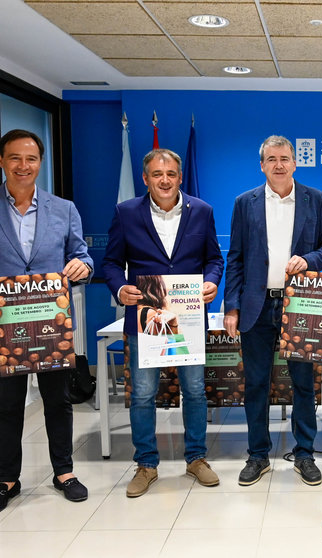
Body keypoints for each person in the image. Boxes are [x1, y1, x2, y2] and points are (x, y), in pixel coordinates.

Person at [0, 129, 93, 515]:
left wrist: (84, 265)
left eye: (31, 159)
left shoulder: (63, 209)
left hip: (52, 323)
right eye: (15, 158)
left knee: (57, 401)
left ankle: (64, 473)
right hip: (1, 326)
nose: (23, 166)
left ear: (40, 163)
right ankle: (7, 481)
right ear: (0, 160)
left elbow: (82, 255)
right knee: (8, 404)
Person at [103, 148, 224, 497]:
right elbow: (111, 263)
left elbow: (214, 259)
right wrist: (119, 286)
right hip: (146, 315)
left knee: (195, 391)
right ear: (146, 179)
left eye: (171, 173)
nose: (165, 180)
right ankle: (146, 464)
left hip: (187, 315)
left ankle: (196, 458)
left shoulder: (202, 211)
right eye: (157, 174)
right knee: (142, 395)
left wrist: (212, 281)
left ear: (180, 176)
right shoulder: (126, 213)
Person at [224, 135, 322, 486]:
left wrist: (309, 259)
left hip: (300, 306)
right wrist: (232, 307)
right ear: (262, 165)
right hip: (257, 307)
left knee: (304, 384)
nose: (278, 164)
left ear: (294, 162)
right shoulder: (245, 202)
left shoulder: (316, 200)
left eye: (284, 158)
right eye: (271, 159)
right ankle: (258, 455)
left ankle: (304, 453)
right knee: (256, 384)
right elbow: (237, 257)